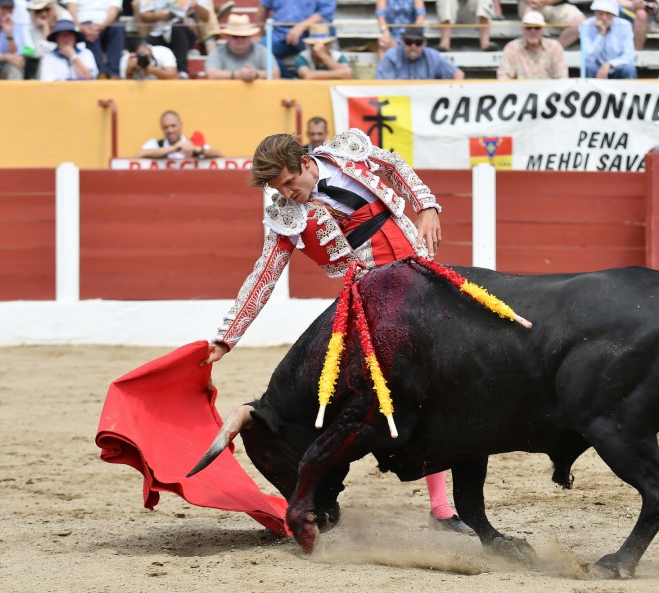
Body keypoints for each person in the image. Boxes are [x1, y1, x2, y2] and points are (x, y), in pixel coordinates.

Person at [202, 128, 472, 535]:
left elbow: (396, 166)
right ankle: (408, 500)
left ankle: (439, 505)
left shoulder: (348, 152)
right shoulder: (287, 215)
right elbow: (265, 275)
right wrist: (227, 337)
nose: (288, 194)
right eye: (279, 189)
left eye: (291, 183)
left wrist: (427, 206)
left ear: (307, 164)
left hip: (419, 269)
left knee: (443, 380)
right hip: (376, 297)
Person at [138, 0, 220, 78]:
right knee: (144, 47)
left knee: (178, 28)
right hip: (159, 32)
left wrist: (196, 6)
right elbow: (143, 15)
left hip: (185, 31)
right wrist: (158, 15)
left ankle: (182, 71)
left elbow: (206, 18)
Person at [256, 0, 335, 78]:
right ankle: (287, 81)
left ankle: (326, 80)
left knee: (322, 48)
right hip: (280, 32)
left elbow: (326, 11)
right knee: (261, 51)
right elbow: (264, 6)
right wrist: (258, 34)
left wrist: (302, 26)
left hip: (312, 31)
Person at [205, 14, 279, 80]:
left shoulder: (261, 51)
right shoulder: (217, 52)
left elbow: (275, 74)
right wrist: (238, 75)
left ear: (250, 37)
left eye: (244, 36)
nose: (240, 40)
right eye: (235, 36)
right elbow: (211, 74)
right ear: (228, 37)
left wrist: (255, 74)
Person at [496, 10, 567, 79]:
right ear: (523, 29)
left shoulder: (554, 47)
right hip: (520, 90)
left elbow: (562, 77)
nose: (533, 31)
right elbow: (503, 77)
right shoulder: (512, 48)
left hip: (549, 90)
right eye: (528, 28)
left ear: (543, 29)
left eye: (537, 28)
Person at [67, 0, 124, 78]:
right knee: (91, 34)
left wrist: (102, 26)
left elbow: (114, 11)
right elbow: (71, 9)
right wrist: (80, 27)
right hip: (81, 25)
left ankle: (113, 73)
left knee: (118, 28)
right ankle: (100, 73)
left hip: (106, 24)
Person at [376, 29, 464, 79]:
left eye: (418, 43)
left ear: (424, 44)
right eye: (409, 42)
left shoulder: (432, 56)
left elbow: (458, 74)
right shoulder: (391, 56)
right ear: (402, 41)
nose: (413, 46)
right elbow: (382, 84)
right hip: (398, 103)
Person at [581, 0, 636, 79]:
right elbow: (588, 57)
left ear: (613, 15)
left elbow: (629, 56)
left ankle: (631, 91)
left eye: (608, 14)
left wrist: (609, 64)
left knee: (629, 68)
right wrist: (601, 34)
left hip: (617, 67)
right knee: (588, 67)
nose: (604, 18)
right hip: (596, 67)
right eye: (601, 13)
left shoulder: (625, 25)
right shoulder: (586, 25)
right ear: (595, 13)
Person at [138, 111, 223, 159]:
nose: (170, 130)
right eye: (166, 127)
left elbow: (219, 155)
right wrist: (173, 148)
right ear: (162, 128)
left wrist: (196, 150)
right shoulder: (156, 144)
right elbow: (140, 155)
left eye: (173, 126)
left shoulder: (192, 144)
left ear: (181, 125)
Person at [518, 0, 586, 48]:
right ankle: (532, 50)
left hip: (558, 5)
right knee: (530, 19)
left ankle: (553, 50)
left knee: (580, 22)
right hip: (530, 5)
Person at [0, 0, 24, 80]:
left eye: (9, 9)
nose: (6, 12)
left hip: (3, 69)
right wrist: (6, 57)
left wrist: (9, 33)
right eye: (3, 8)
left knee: (15, 67)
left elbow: (16, 54)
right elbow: (11, 56)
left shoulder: (15, 26)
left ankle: (17, 92)